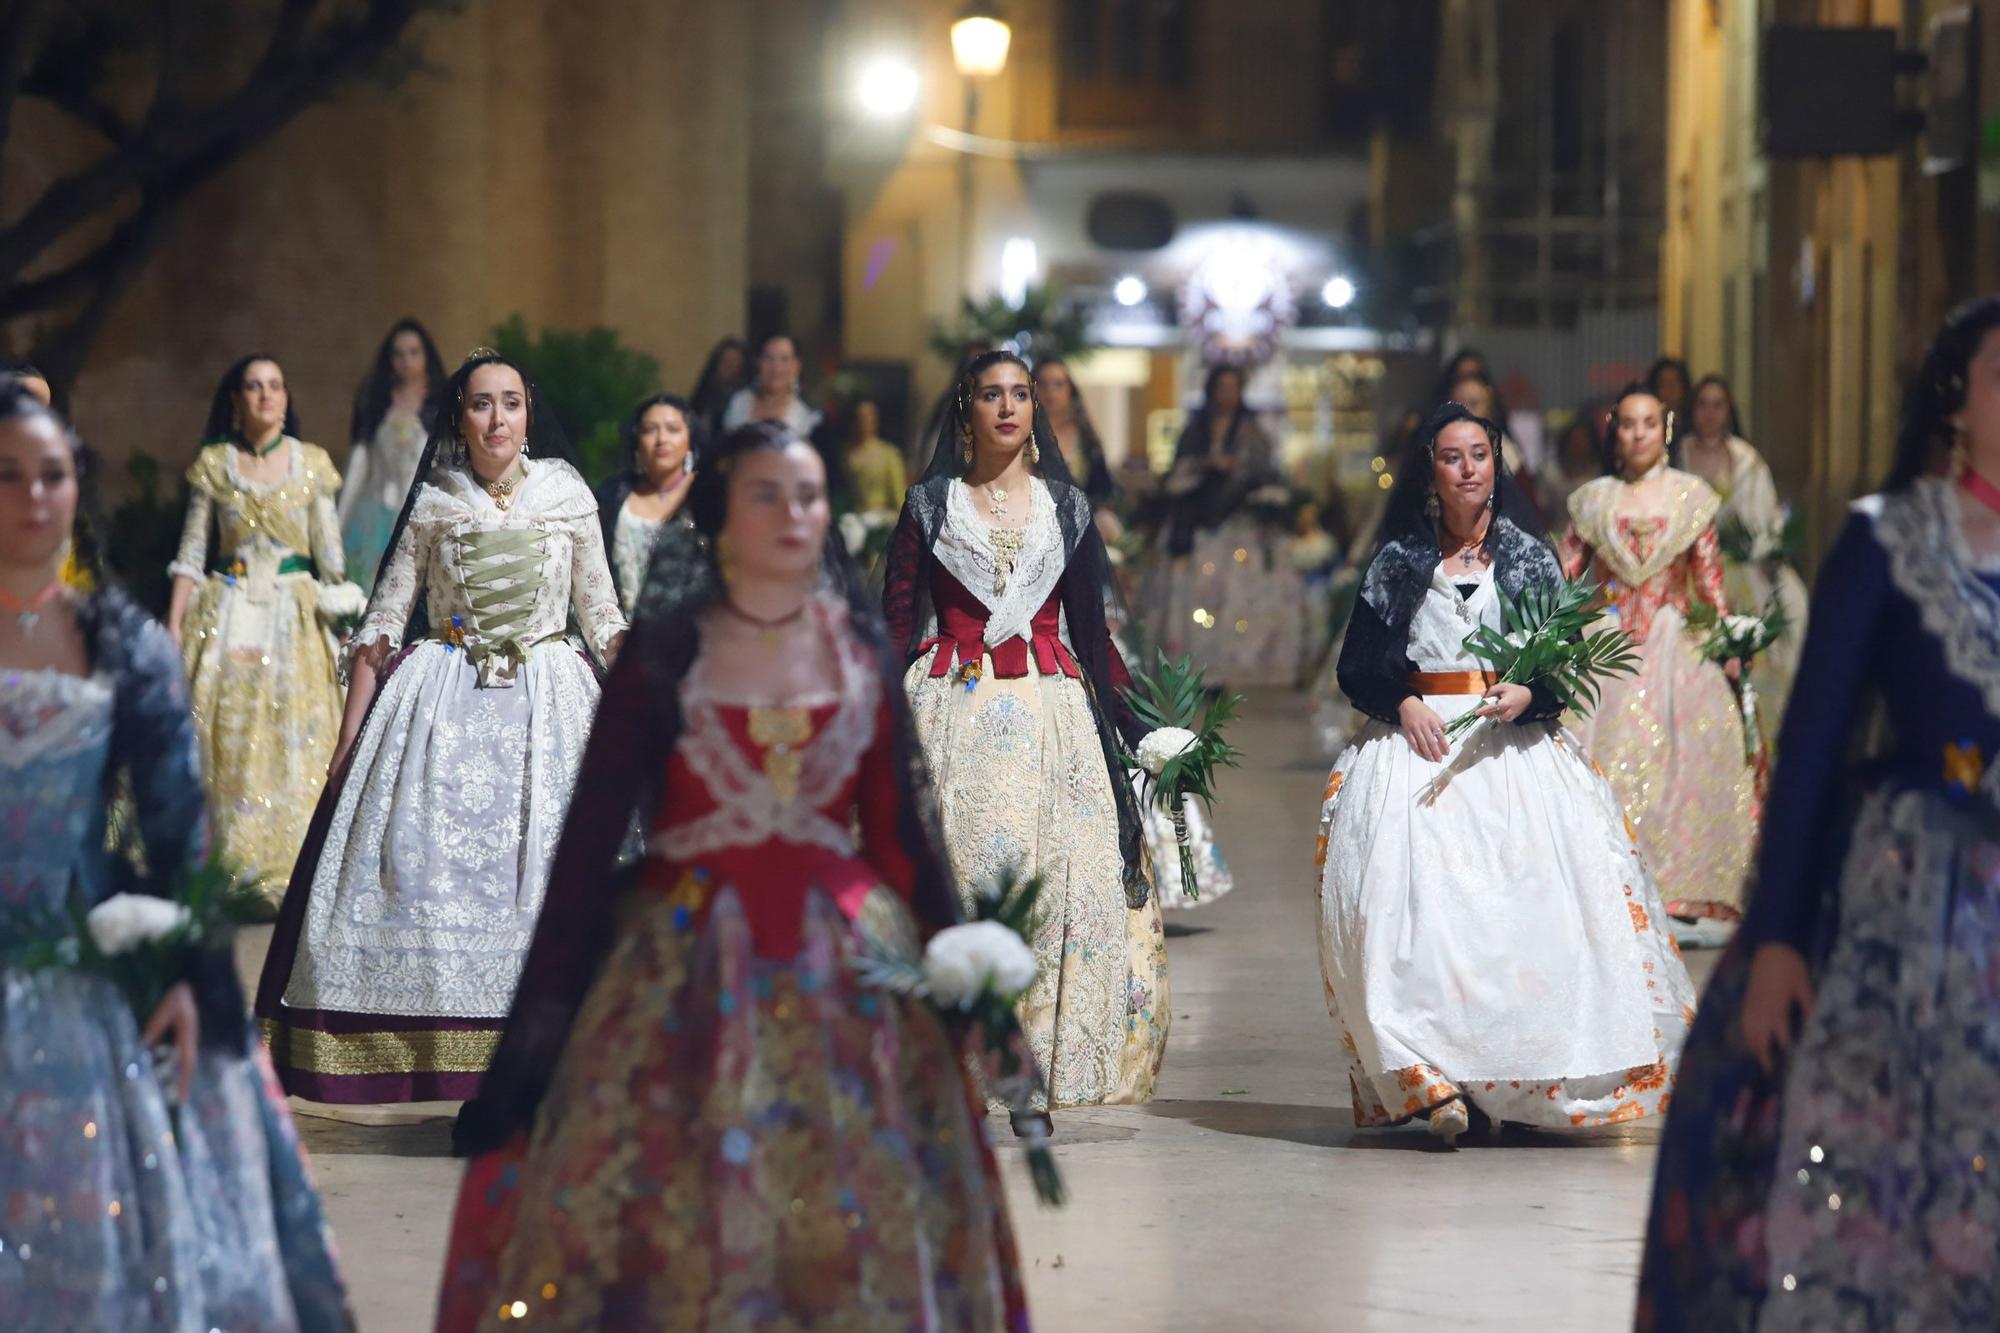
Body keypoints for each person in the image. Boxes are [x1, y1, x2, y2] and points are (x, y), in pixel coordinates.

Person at [431, 420, 1029, 1330]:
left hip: (847, 973)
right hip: (681, 971)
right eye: (767, 494)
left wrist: (971, 989)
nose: (794, 514)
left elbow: (907, 840)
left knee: (841, 1205)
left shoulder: (861, 652)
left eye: (809, 495)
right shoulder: (664, 656)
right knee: (683, 1196)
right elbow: (587, 853)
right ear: (717, 518)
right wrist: (540, 1027)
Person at [1636, 297, 2000, 1330]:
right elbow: (1810, 748)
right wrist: (1781, 939)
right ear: (1955, 403)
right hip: (1913, 904)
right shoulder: (1891, 540)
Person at [0, 385, 350, 1329]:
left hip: (71, 982)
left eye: (53, 475)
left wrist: (191, 971)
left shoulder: (117, 642)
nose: (33, 496)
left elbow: (175, 826)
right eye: (7, 476)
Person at [1316, 401, 1695, 1147]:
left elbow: (1562, 659)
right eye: (1452, 456)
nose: (1467, 469)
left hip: (1512, 753)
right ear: (1431, 468)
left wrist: (1529, 690)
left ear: (1497, 465)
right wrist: (1403, 698)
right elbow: (1356, 662)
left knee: (1514, 925)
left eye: (1480, 455)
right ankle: (1430, 1080)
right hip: (1416, 755)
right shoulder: (1398, 560)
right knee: (1410, 923)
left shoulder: (1527, 555)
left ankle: (1512, 1081)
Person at [255, 350, 627, 1104]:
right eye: (482, 404)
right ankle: (458, 1070)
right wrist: (347, 743)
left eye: (512, 403)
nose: (498, 419)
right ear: (459, 417)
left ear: (529, 412)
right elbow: (384, 620)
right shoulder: (435, 500)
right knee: (427, 883)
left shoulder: (567, 495)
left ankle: (538, 1081)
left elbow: (605, 618)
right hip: (444, 704)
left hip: (550, 703)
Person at [885, 349, 1170, 1126]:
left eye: (1019, 394)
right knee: (969, 882)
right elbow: (893, 624)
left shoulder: (1066, 509)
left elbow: (1092, 634)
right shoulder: (929, 507)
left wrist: (1144, 726)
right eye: (990, 395)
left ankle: (1027, 1069)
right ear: (965, 412)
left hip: (1051, 719)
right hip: (953, 714)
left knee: (1048, 893)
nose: (1008, 407)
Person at [1559, 385, 1756, 943]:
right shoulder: (1594, 500)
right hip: (1610, 639)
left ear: (1665, 430)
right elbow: (1567, 576)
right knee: (1600, 751)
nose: (1639, 433)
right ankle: (1603, 883)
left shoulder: (1691, 497)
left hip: (1674, 640)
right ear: (1613, 431)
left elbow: (1710, 580)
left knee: (1688, 752)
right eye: (1628, 424)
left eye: (1649, 423)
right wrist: (1549, 640)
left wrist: (1728, 644)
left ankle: (1679, 885)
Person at [164, 355, 349, 908]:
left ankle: (296, 866)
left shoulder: (312, 464)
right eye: (253, 386)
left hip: (294, 616)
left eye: (275, 385)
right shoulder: (216, 464)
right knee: (224, 731)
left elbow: (331, 556)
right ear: (235, 401)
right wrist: (173, 626)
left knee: (297, 732)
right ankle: (224, 863)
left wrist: (344, 622)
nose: (267, 395)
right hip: (228, 613)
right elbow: (193, 552)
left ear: (287, 398)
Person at [1144, 365, 1307, 687]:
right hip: (1198, 528)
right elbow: (1176, 473)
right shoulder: (1196, 429)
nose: (1227, 394)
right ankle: (1194, 671)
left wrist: (1238, 473)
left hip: (1238, 530)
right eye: (1222, 387)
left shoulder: (1252, 431)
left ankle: (1229, 670)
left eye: (1233, 387)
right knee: (1196, 605)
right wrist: (1206, 465)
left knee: (1235, 604)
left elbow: (1267, 476)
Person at [1681, 373, 1810, 751]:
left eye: (1717, 404)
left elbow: (1764, 520)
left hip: (1742, 569)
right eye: (1703, 404)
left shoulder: (1747, 460)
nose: (1710, 413)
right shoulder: (1677, 453)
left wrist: (1760, 549)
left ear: (1729, 410)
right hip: (1690, 573)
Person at [340, 319, 445, 592]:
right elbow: (358, 468)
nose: (405, 360)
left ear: (426, 356)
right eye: (398, 354)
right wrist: (337, 523)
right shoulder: (375, 402)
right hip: (373, 517)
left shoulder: (439, 406)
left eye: (413, 352)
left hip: (423, 514)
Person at [593, 392, 703, 618]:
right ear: (637, 441)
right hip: (621, 627)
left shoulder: (708, 491)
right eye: (650, 430)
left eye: (673, 429)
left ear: (690, 438)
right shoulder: (613, 494)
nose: (662, 439)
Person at [721, 332, 821, 438]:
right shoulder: (739, 403)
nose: (776, 367)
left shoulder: (806, 416)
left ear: (796, 366)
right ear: (758, 363)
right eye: (768, 358)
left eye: (784, 359)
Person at [1538, 413, 1602, 530]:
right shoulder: (1551, 473)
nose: (1578, 446)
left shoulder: (1597, 477)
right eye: (1575, 441)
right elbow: (1541, 509)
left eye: (1583, 442)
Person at [846, 397, 909, 515]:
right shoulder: (845, 454)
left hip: (881, 519)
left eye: (868, 417)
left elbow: (899, 496)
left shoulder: (889, 454)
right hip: (852, 518)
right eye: (860, 418)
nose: (863, 422)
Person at [686, 335, 748, 434]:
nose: (729, 367)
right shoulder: (704, 395)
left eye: (734, 362)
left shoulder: (744, 400)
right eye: (726, 360)